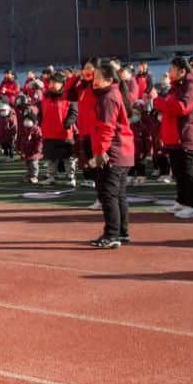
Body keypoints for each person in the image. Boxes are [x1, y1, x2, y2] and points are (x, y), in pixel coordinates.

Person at [85, 62, 133, 248]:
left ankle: (112, 234)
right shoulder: (111, 94)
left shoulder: (108, 98)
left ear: (109, 80)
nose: (93, 80)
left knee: (108, 194)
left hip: (113, 152)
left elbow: (107, 128)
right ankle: (121, 232)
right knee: (119, 194)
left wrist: (100, 153)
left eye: (97, 77)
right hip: (122, 151)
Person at [157, 56, 193, 219]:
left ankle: (192, 205)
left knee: (188, 171)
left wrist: (160, 103)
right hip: (175, 135)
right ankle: (181, 201)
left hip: (186, 134)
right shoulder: (178, 86)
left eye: (172, 69)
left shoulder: (192, 86)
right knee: (178, 171)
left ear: (182, 71)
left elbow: (181, 108)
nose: (169, 73)